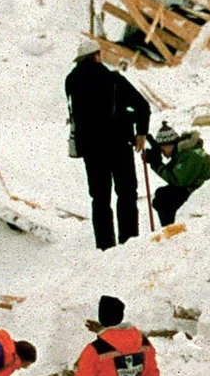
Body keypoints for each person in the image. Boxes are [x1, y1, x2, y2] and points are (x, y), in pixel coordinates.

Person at [64, 38, 150, 250]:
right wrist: (141, 133)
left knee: (100, 198)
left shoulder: (71, 82)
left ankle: (105, 246)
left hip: (91, 149)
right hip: (118, 144)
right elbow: (142, 106)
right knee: (126, 192)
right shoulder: (112, 79)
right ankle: (129, 241)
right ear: (96, 56)